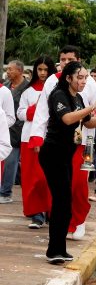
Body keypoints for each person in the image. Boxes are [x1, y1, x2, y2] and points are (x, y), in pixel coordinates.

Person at [40, 62, 96, 264]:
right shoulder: (59, 95)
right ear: (68, 78)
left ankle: (60, 249)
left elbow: (88, 121)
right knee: (61, 200)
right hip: (52, 153)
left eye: (85, 77)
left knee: (66, 202)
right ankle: (53, 250)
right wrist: (93, 106)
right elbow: (67, 119)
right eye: (79, 77)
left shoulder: (79, 97)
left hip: (66, 154)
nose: (83, 81)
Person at [29, 45, 96, 240]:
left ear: (78, 61)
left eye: (70, 60)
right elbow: (42, 110)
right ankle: (59, 226)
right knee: (57, 186)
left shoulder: (88, 83)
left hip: (81, 142)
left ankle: (79, 221)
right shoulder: (53, 82)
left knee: (78, 184)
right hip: (56, 143)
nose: (66, 63)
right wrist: (37, 136)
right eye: (63, 60)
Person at [17, 56, 56, 227]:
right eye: (39, 69)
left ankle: (50, 210)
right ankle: (36, 212)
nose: (42, 73)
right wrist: (39, 107)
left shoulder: (57, 90)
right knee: (31, 177)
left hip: (50, 139)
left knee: (47, 177)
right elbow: (21, 114)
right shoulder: (28, 91)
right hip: (28, 139)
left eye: (46, 70)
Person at [0, 60, 27, 203]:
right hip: (4, 129)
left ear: (20, 71)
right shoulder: (4, 87)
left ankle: (6, 192)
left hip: (19, 130)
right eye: (7, 69)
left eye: (11, 69)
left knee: (11, 162)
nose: (8, 71)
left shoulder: (27, 88)